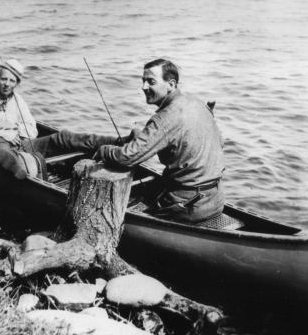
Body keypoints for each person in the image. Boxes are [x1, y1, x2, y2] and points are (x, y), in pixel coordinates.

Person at [93, 58, 225, 223]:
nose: (144, 87)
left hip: (189, 206)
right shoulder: (197, 103)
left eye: (151, 82)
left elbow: (126, 158)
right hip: (216, 200)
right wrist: (143, 137)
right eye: (143, 81)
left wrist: (105, 150)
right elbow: (218, 144)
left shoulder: (165, 117)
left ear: (171, 84)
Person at [0, 59, 119, 179]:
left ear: (17, 83)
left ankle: (116, 142)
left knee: (63, 137)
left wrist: (12, 128)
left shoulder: (18, 100)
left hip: (22, 144)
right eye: (4, 79)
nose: (7, 84)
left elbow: (32, 130)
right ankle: (18, 171)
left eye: (12, 81)